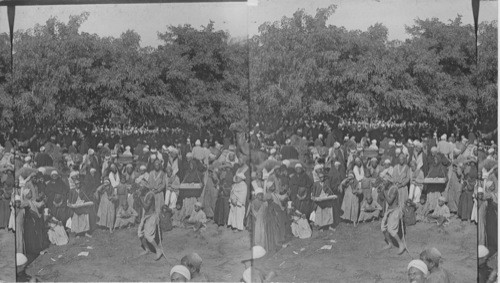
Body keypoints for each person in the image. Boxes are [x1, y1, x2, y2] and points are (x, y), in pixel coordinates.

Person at [137, 184, 163, 260]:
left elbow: (146, 207)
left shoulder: (150, 195)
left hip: (151, 217)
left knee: (148, 235)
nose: (140, 188)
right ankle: (147, 249)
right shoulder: (145, 194)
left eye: (141, 187)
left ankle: (158, 250)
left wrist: (139, 197)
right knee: (140, 233)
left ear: (145, 188)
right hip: (145, 216)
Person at [381, 182, 405, 255]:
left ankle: (401, 245)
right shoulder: (388, 188)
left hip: (395, 211)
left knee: (391, 229)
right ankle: (390, 244)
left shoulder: (394, 189)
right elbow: (383, 198)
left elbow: (390, 201)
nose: (383, 182)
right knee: (383, 228)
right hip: (389, 211)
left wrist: (384, 191)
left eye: (384, 181)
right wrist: (382, 190)